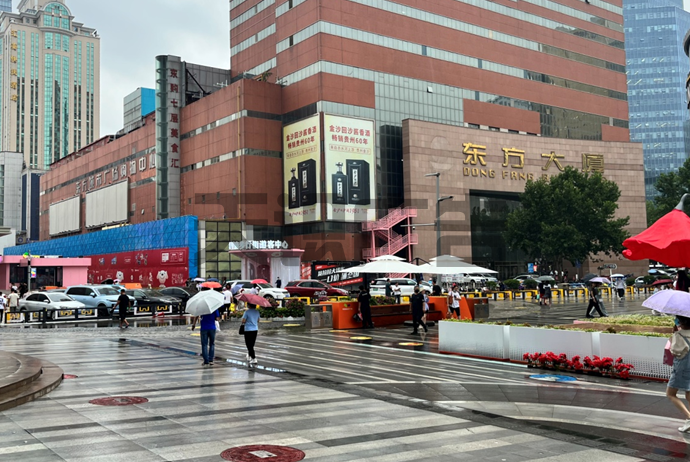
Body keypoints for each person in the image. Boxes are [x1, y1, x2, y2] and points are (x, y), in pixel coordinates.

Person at [667, 315, 690, 432]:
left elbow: (675, 352)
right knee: (689, 394)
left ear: (680, 322)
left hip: (681, 369)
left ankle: (689, 417)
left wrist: (674, 335)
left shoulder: (678, 335)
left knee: (670, 394)